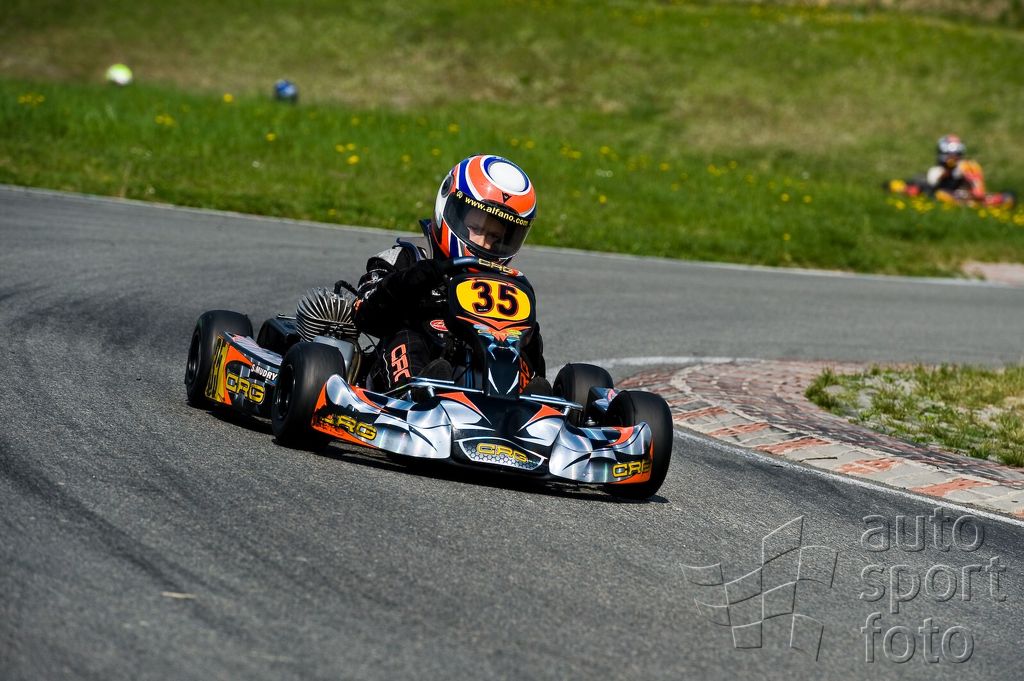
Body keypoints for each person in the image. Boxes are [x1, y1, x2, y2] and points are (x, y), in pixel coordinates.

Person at [353, 154, 547, 393]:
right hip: (410, 368)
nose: (484, 243)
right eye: (476, 228)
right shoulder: (408, 258)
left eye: (496, 237)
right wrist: (417, 279)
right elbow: (365, 314)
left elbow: (535, 358)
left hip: (480, 371)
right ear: (448, 208)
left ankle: (532, 403)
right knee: (407, 336)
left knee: (511, 346)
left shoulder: (507, 282)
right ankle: (416, 391)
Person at [924, 134, 987, 205]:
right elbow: (933, 184)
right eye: (950, 154)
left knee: (970, 166)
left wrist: (968, 176)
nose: (953, 157)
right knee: (940, 194)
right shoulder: (936, 171)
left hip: (968, 196)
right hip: (949, 195)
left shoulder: (966, 166)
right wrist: (949, 173)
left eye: (956, 154)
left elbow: (979, 194)